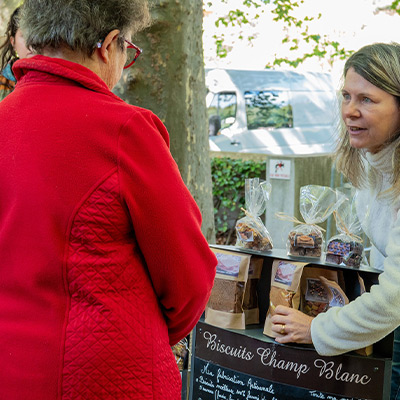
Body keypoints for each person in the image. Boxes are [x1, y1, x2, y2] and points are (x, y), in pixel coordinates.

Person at [0, 0, 217, 399]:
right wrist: (144, 329)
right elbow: (189, 275)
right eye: (128, 50)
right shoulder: (125, 129)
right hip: (106, 373)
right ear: (109, 44)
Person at [270, 42, 400, 399]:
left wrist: (317, 329)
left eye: (367, 100)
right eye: (345, 96)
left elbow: (395, 298)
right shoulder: (375, 170)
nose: (349, 111)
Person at [0, 6, 32, 100]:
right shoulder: (3, 81)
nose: (32, 43)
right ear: (13, 42)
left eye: (36, 36)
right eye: (25, 36)